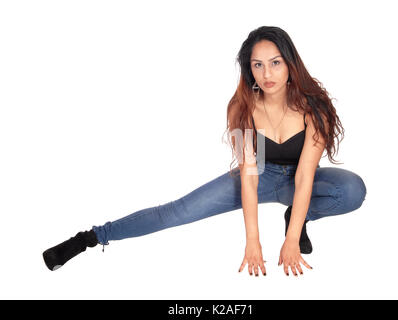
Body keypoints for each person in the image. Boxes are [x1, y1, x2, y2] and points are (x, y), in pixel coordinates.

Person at [42, 26, 367, 277]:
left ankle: (298, 215)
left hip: (298, 181)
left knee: (352, 189)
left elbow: (307, 176)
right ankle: (90, 238)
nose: (267, 74)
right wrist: (252, 239)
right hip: (259, 176)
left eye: (275, 63)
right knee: (175, 212)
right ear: (249, 69)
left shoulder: (315, 109)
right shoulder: (241, 107)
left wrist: (292, 237)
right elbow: (250, 177)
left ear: (290, 64)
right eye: (258, 65)